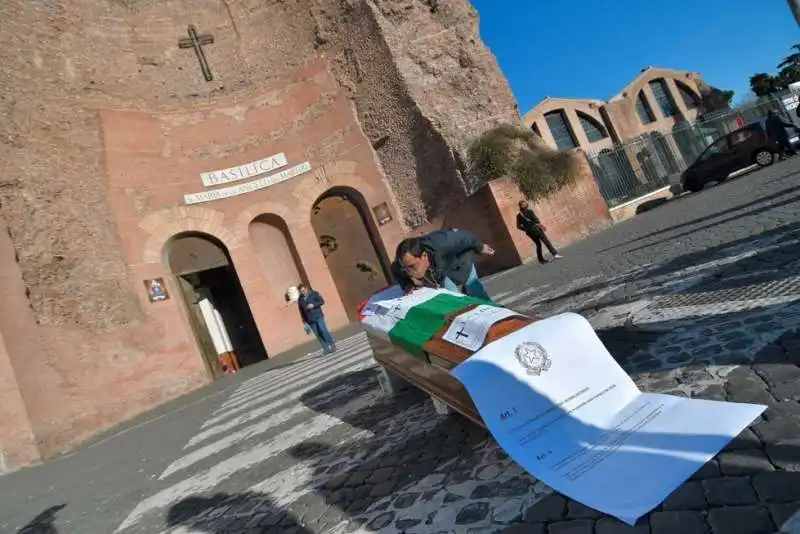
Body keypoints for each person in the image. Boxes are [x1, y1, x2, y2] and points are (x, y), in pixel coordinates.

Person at [392, 228, 494, 301]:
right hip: (441, 276)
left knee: (479, 296)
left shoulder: (442, 241)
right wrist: (407, 285)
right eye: (406, 268)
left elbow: (466, 237)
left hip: (460, 266)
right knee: (455, 302)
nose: (409, 272)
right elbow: (395, 270)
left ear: (424, 256)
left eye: (412, 266)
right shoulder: (403, 263)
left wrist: (480, 248)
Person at [516, 200, 562, 264]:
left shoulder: (519, 215)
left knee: (538, 244)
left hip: (529, 232)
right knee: (546, 241)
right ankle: (555, 254)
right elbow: (536, 220)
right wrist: (539, 225)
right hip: (536, 229)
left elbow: (518, 226)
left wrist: (526, 229)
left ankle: (541, 260)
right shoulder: (529, 211)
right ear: (525, 205)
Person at [298, 283, 337, 354]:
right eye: (301, 291)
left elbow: (322, 301)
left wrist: (313, 305)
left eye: (303, 290)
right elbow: (301, 311)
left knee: (322, 329)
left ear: (306, 289)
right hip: (310, 320)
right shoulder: (300, 299)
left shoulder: (314, 293)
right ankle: (326, 348)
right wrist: (304, 322)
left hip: (318, 316)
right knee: (317, 334)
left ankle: (332, 344)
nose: (303, 292)